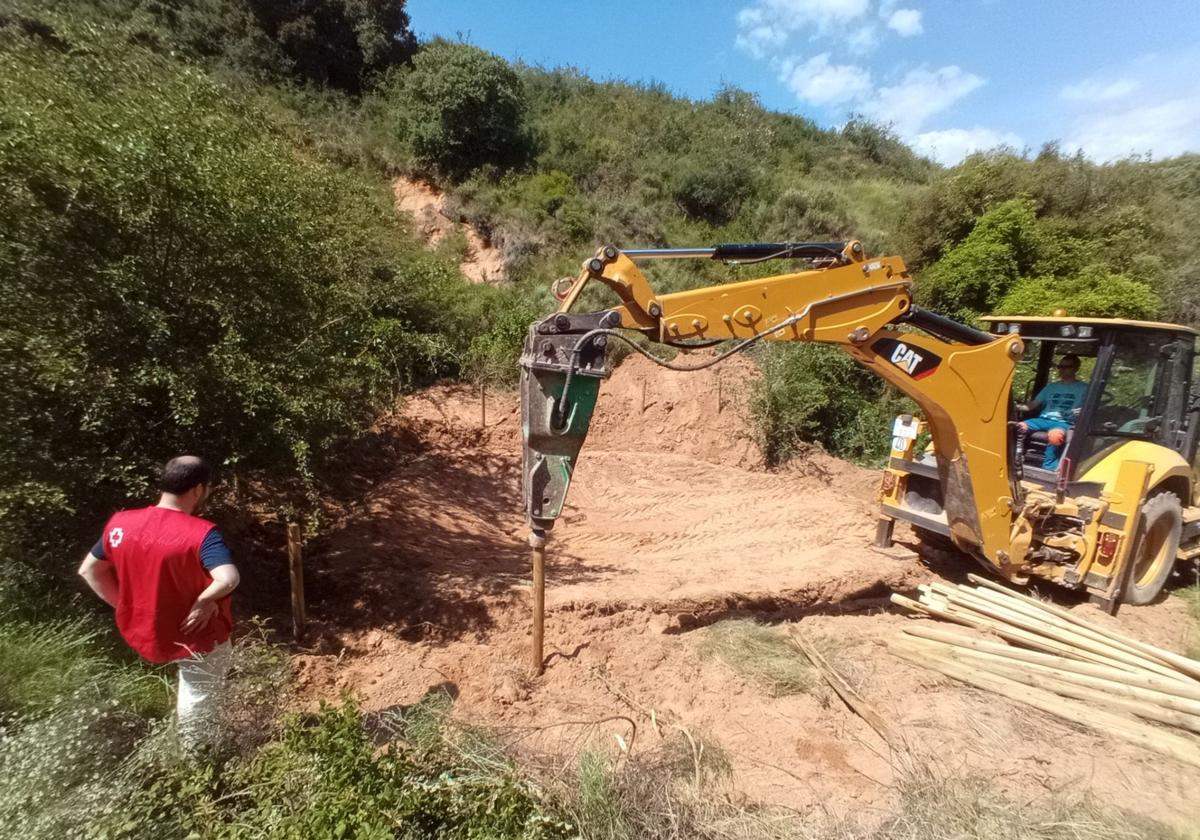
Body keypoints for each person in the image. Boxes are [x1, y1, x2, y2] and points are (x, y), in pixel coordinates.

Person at [78, 455, 239, 752]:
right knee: (198, 697)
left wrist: (124, 606)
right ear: (198, 490)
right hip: (195, 632)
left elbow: (89, 570)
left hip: (144, 629)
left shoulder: (120, 524)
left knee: (190, 690)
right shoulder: (201, 533)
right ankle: (199, 761)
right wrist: (205, 600)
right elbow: (228, 579)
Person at [1017, 353, 1088, 470]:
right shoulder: (1051, 387)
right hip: (1043, 419)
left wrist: (1083, 411)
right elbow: (1032, 405)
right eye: (1060, 367)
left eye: (1067, 367)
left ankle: (1048, 469)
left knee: (1055, 436)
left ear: (1076, 369)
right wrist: (1015, 406)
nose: (1062, 370)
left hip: (1065, 422)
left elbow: (1090, 407)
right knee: (1018, 427)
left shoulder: (1084, 388)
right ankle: (1017, 459)